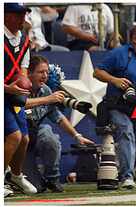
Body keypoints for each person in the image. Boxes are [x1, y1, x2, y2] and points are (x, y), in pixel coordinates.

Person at [93, 22, 136, 189]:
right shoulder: (120, 53)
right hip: (118, 105)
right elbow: (97, 72)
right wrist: (114, 80)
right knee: (126, 132)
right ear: (134, 39)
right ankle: (127, 177)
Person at [24, 55, 95, 193]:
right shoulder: (21, 87)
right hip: (18, 141)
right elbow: (20, 104)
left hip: (33, 135)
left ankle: (52, 179)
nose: (45, 76)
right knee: (36, 189)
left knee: (47, 132)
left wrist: (77, 135)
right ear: (29, 73)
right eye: (40, 72)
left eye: (46, 72)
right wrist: (47, 99)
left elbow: (58, 117)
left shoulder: (45, 90)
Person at [4, 3, 37, 197]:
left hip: (12, 93)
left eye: (23, 14)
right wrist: (9, 87)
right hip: (4, 92)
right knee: (14, 136)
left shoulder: (23, 40)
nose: (22, 19)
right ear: (6, 16)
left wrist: (22, 83)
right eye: (18, 15)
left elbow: (23, 68)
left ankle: (15, 176)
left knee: (24, 138)